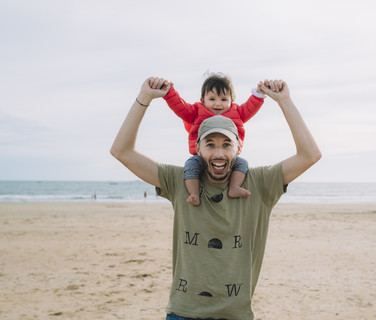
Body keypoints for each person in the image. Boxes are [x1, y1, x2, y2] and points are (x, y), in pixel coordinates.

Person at [110, 76, 321, 320]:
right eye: (210, 145)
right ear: (197, 149)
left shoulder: (259, 183)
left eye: (226, 145)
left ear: (239, 148)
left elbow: (310, 155)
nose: (219, 153)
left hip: (235, 315)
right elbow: (121, 151)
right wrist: (144, 98)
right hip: (183, 313)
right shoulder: (179, 181)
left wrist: (285, 101)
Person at [160, 73, 266, 205]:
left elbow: (251, 107)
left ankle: (234, 187)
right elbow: (180, 107)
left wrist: (258, 95)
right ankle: (194, 193)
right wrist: (169, 93)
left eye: (223, 99)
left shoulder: (237, 112)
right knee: (191, 166)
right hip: (200, 156)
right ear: (202, 100)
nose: (218, 104)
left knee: (242, 163)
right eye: (212, 99)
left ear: (231, 100)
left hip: (229, 156)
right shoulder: (196, 112)